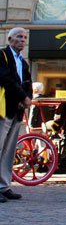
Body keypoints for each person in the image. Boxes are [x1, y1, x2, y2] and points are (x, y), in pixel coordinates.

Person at [0, 27, 32, 202]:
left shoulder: (24, 62)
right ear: (9, 39)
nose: (22, 40)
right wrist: (22, 96)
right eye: (19, 37)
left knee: (9, 150)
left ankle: (4, 185)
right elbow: (5, 78)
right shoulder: (2, 56)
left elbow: (27, 83)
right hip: (3, 108)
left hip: (16, 110)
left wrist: (27, 99)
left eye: (25, 37)